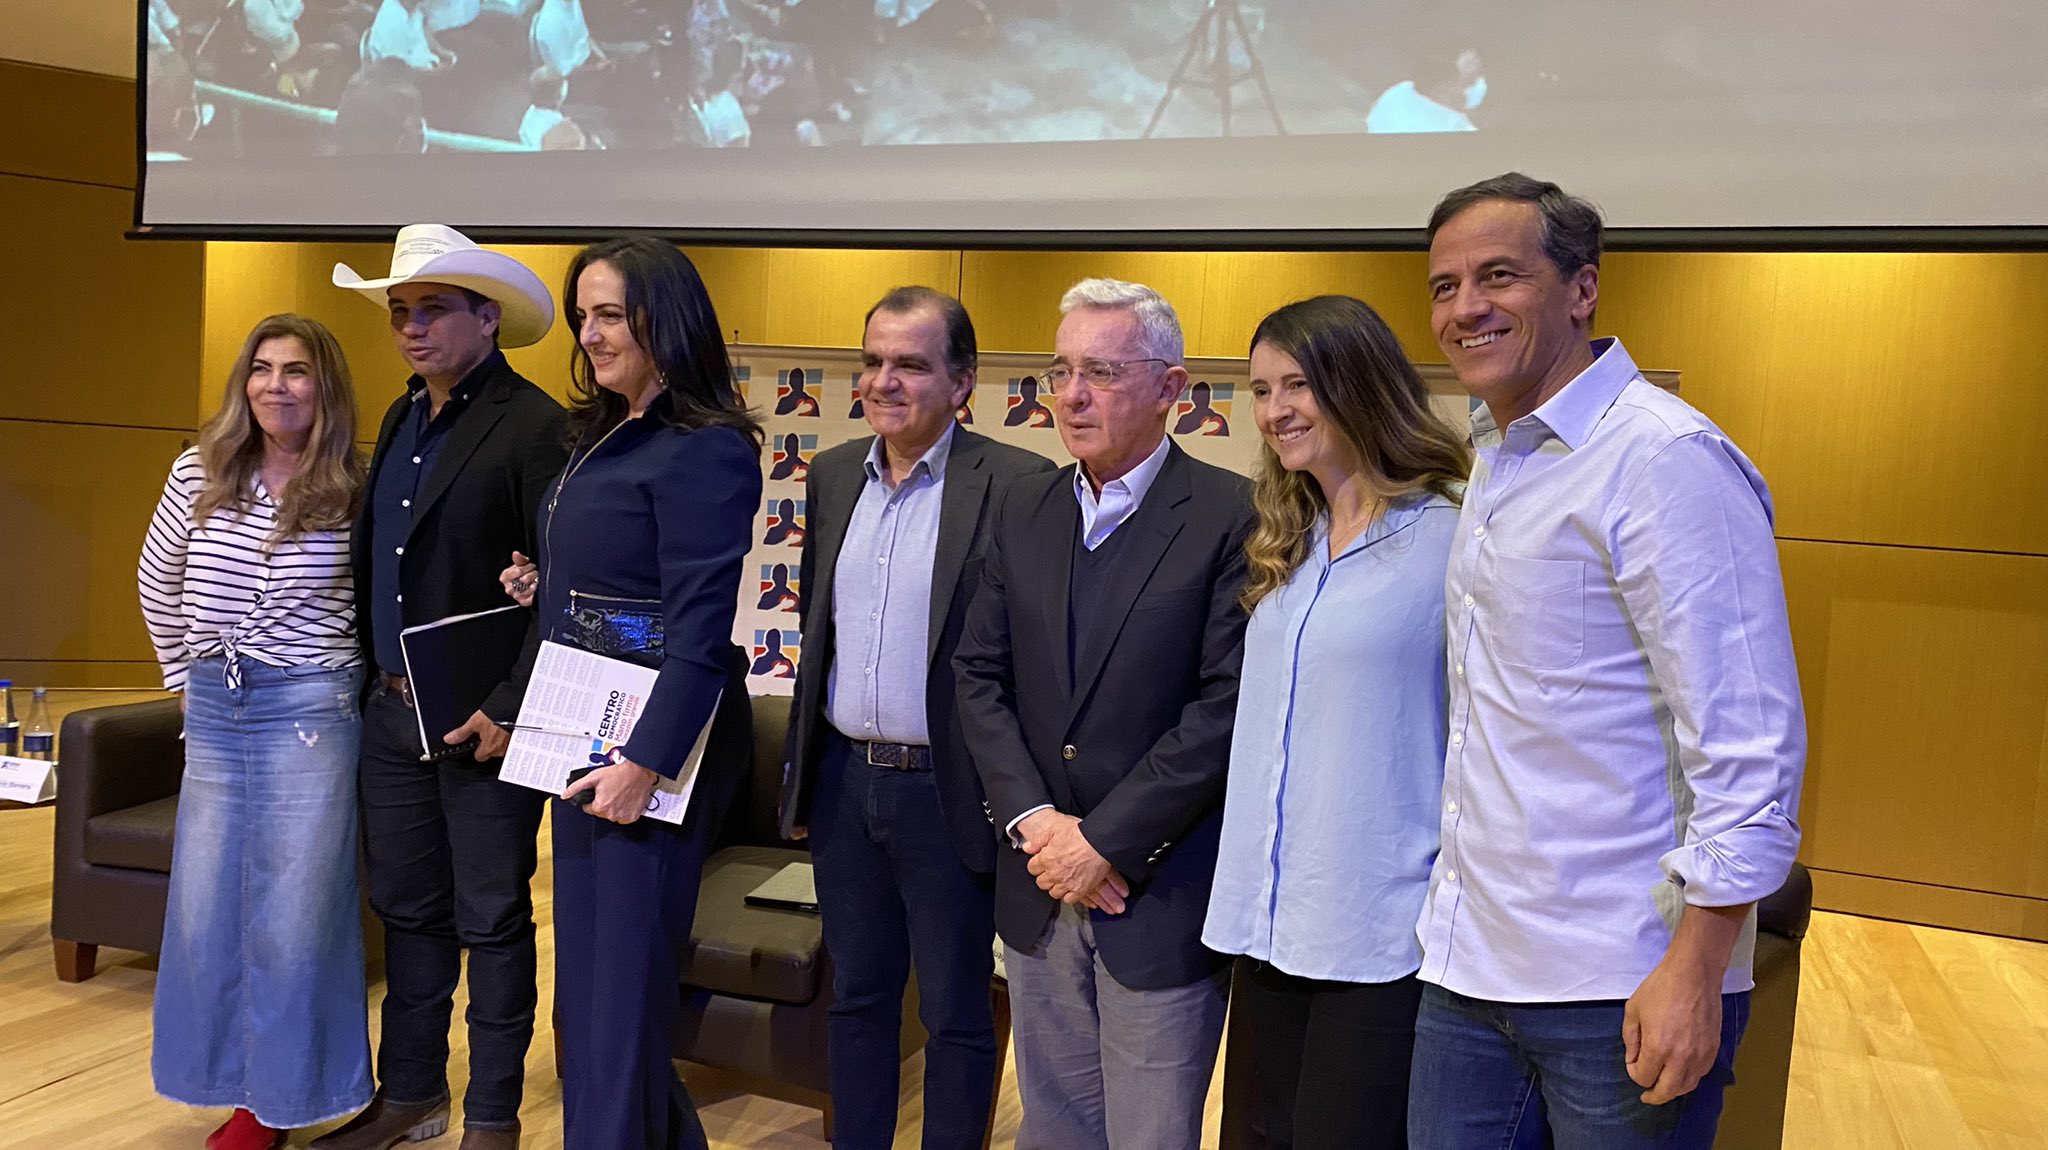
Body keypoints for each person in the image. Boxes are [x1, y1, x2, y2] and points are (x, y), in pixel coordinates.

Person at [1410, 173, 1806, 1149]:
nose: (1464, 307)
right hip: (1466, 968)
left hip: (1619, 980)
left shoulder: (1662, 459)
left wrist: (1695, 966)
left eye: (1497, 276)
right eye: (1443, 284)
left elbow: (1748, 744)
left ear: (1581, 289)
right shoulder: (1494, 454)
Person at [954, 277, 1254, 1150]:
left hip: (1155, 895)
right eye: (1060, 372)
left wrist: (1104, 843)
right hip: (1040, 883)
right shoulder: (1025, 506)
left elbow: (1224, 705)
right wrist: (1040, 825)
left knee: (1151, 1137)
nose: (1072, 395)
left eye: (1102, 371)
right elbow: (979, 674)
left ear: (1171, 387)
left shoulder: (1231, 515)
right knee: (1053, 1129)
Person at [497, 236, 760, 1150]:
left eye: (609, 313)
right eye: (582, 314)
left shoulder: (706, 449)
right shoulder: (600, 430)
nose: (589, 332)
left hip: (646, 749)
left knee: (620, 999)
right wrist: (550, 585)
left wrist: (645, 764)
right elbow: (618, 577)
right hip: (577, 727)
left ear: (665, 319)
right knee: (600, 995)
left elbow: (698, 633)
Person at [779, 286, 1054, 1150]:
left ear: (963, 381)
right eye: (872, 362)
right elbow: (815, 633)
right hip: (843, 784)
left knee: (955, 1010)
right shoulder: (829, 477)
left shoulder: (1017, 484)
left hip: (951, 793)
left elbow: (1028, 658)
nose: (883, 382)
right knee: (857, 997)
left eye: (910, 364)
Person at [314, 225, 566, 1150]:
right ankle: (411, 1095)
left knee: (493, 919)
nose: (411, 329)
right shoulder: (396, 417)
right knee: (407, 914)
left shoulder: (540, 426)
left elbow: (563, 592)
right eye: (399, 313)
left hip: (484, 724)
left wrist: (510, 707)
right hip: (387, 711)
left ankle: (493, 1116)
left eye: (431, 310)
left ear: (487, 318)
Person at [1201, 296, 1470, 1150]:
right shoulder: (1290, 541)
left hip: (1380, 930)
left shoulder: (1450, 539)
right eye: (1261, 389)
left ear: (1359, 384)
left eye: (1300, 385)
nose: (1277, 410)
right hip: (1272, 919)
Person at [140, 314, 370, 1150]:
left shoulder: (356, 483)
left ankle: (281, 1103)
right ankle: (235, 1090)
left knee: (295, 916)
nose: (278, 385)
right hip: (213, 704)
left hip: (310, 710)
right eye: (264, 369)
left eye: (298, 370)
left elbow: (382, 604)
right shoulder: (199, 469)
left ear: (326, 385)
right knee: (207, 910)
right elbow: (157, 580)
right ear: (245, 383)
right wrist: (182, 681)